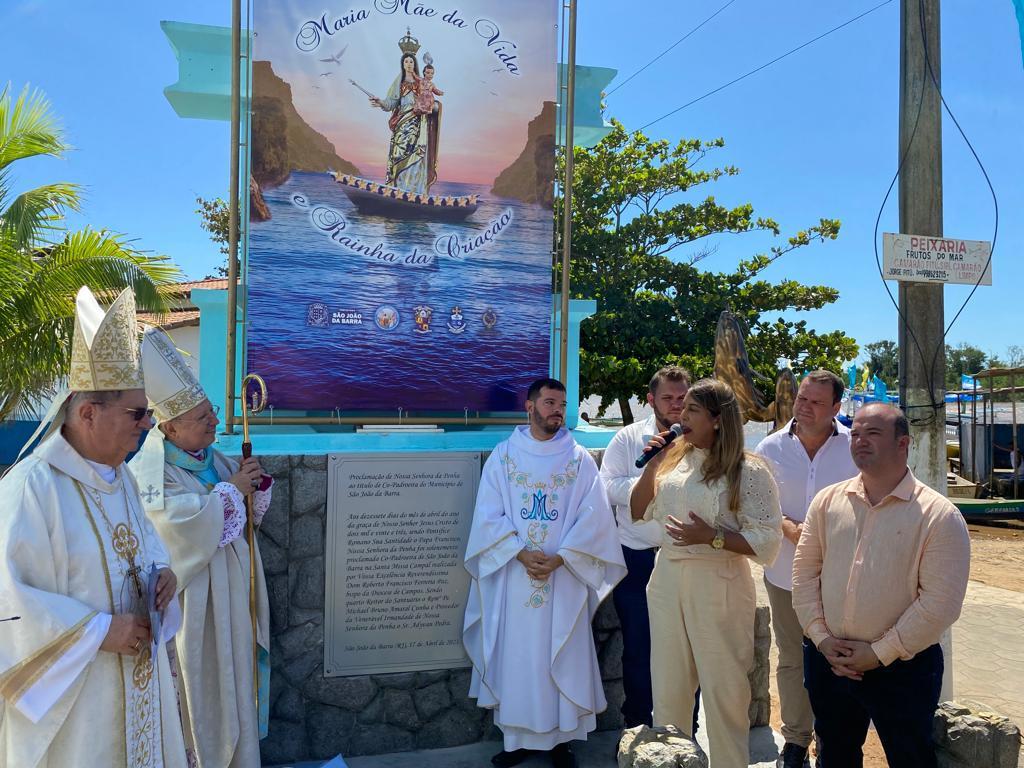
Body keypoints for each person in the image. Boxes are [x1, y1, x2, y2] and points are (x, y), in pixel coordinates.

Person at [0, 287, 187, 767]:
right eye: (137, 412)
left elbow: (145, 548)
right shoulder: (31, 489)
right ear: (86, 413)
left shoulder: (120, 476)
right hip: (76, 709)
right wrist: (100, 632)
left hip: (137, 686)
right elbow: (9, 603)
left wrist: (163, 575)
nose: (148, 424)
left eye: (148, 412)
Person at [792, 402, 971, 768]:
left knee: (910, 757)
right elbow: (805, 572)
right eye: (855, 433)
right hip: (828, 661)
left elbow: (940, 603)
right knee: (835, 755)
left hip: (903, 669)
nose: (859, 441)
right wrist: (822, 639)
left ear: (903, 443)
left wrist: (879, 652)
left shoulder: (939, 516)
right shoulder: (827, 502)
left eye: (872, 433)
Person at [463, 378, 626, 768]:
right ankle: (515, 741)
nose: (557, 410)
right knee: (516, 655)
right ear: (529, 406)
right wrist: (519, 553)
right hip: (515, 575)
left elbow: (595, 515)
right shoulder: (504, 457)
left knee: (561, 649)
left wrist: (563, 556)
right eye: (549, 402)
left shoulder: (579, 459)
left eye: (562, 403)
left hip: (563, 575)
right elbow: (488, 514)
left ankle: (561, 741)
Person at [128, 327, 271, 768]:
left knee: (239, 683)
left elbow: (247, 515)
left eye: (211, 412)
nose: (213, 421)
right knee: (205, 690)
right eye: (201, 417)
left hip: (234, 600)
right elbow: (173, 528)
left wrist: (254, 484)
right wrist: (230, 492)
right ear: (170, 428)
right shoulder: (153, 474)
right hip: (197, 608)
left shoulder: (216, 459)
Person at [630, 378, 782, 768]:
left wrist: (712, 537)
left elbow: (767, 540)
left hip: (719, 583)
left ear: (717, 419)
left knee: (724, 691)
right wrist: (654, 464)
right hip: (666, 578)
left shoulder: (748, 471)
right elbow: (637, 510)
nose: (681, 417)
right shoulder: (675, 459)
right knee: (668, 687)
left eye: (691, 410)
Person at [754, 370, 858, 768]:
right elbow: (757, 503)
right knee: (793, 658)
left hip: (841, 575)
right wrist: (786, 526)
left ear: (836, 408)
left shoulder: (854, 447)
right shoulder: (770, 447)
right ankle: (795, 741)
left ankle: (832, 739)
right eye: (801, 398)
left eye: (816, 402)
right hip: (785, 572)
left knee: (838, 658)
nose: (804, 407)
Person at [598, 365, 700, 730]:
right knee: (639, 646)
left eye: (682, 398)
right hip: (636, 557)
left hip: (686, 556)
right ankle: (637, 724)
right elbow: (607, 485)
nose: (676, 405)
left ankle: (686, 727)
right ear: (650, 399)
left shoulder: (703, 438)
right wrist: (651, 492)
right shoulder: (627, 440)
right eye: (667, 398)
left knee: (688, 648)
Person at [368, 41, 441, 195]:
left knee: (416, 155)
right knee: (398, 154)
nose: (409, 63)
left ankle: (414, 191)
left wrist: (433, 106)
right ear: (403, 64)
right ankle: (398, 189)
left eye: (411, 61)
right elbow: (391, 103)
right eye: (406, 61)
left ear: (415, 64)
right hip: (402, 123)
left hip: (418, 123)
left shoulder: (422, 82)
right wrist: (380, 101)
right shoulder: (399, 83)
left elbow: (430, 100)